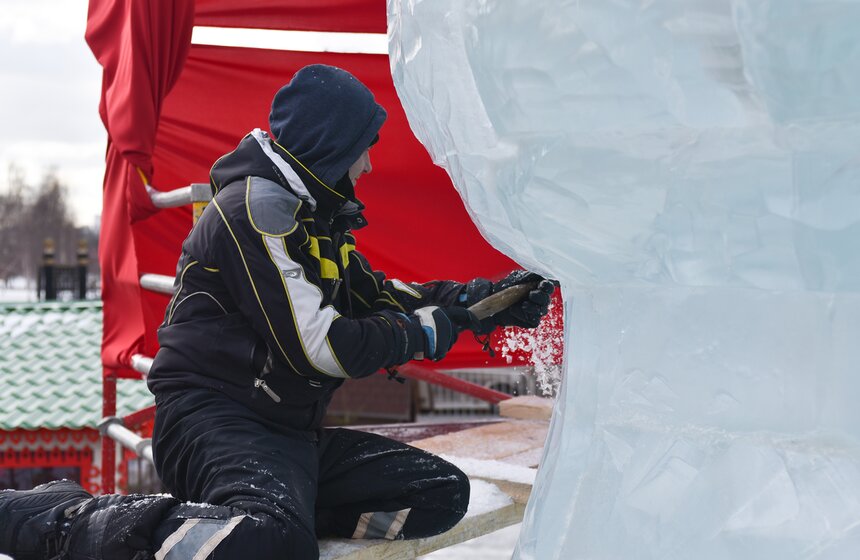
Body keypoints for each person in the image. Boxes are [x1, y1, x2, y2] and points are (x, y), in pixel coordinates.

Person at [0, 64, 554, 560]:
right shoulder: (256, 211)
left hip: (284, 434)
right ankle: (66, 521)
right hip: (212, 424)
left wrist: (479, 303)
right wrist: (427, 330)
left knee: (440, 494)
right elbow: (322, 348)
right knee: (277, 542)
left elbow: (377, 297)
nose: (367, 164)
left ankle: (258, 522)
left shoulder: (311, 216)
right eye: (363, 146)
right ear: (330, 144)